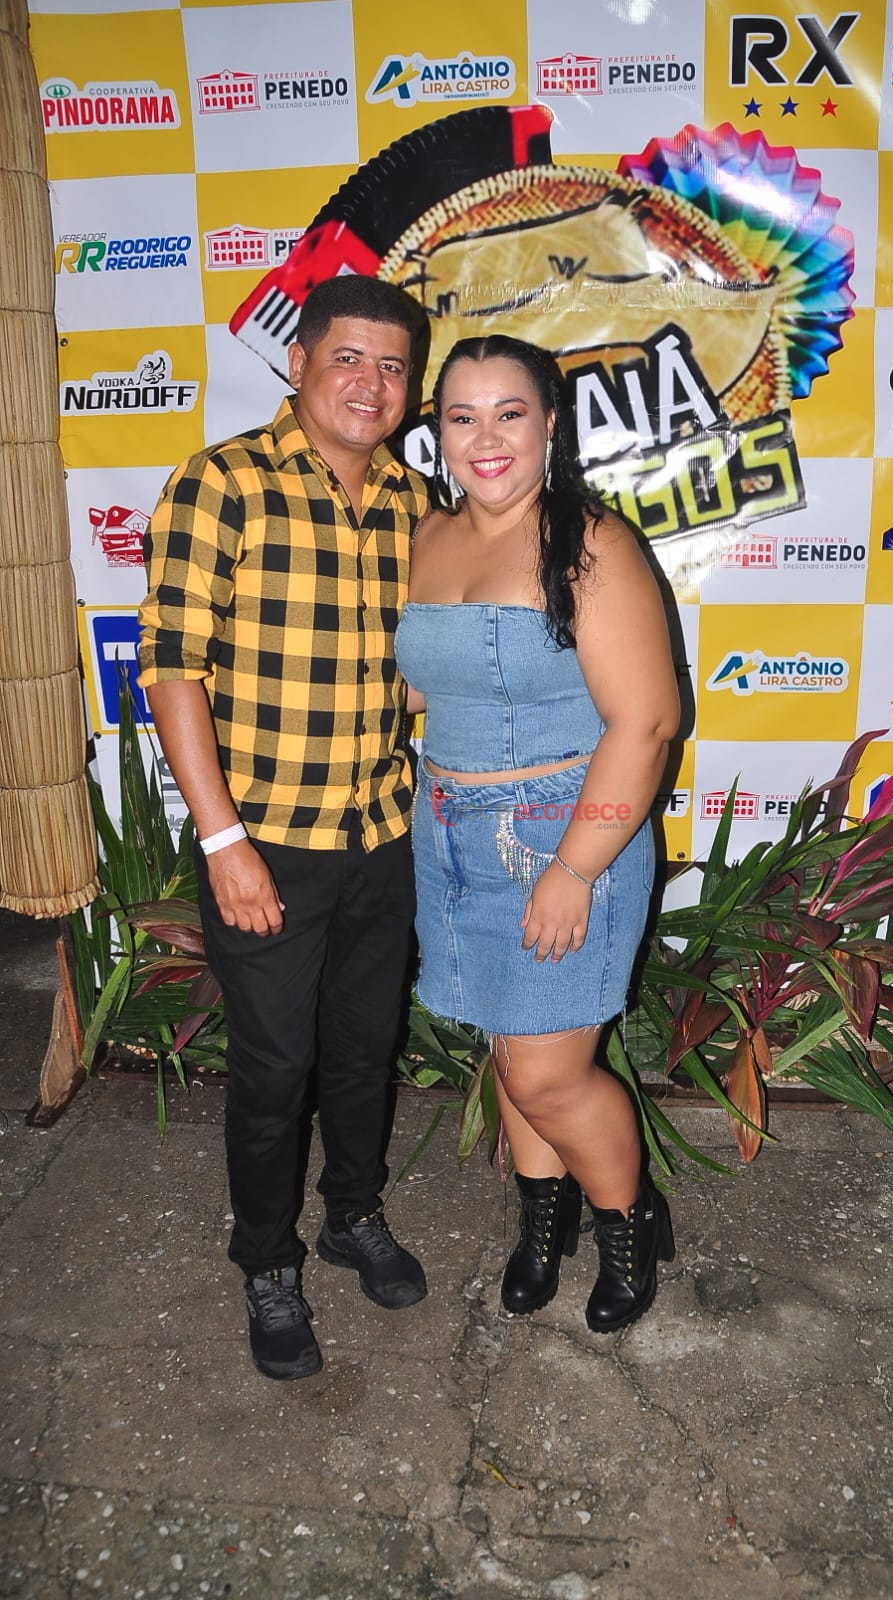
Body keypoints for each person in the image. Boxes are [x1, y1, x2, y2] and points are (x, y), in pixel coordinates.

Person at [138, 276, 430, 1381]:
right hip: (265, 844)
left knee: (363, 1051)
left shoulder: (415, 502)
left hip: (383, 835)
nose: (371, 383)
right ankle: (267, 1261)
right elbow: (172, 666)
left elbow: (418, 671)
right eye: (348, 357)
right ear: (298, 362)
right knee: (272, 1071)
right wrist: (224, 844)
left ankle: (352, 1213)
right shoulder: (223, 483)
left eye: (393, 366)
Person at [394, 334, 681, 1333]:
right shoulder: (428, 536)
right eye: (462, 416)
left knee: (549, 1072)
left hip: (561, 837)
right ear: (437, 433)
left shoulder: (590, 544)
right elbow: (425, 683)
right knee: (511, 1049)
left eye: (509, 413)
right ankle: (541, 1224)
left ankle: (630, 1226)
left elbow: (646, 723)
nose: (487, 437)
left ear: (550, 425)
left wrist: (575, 867)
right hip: (448, 833)